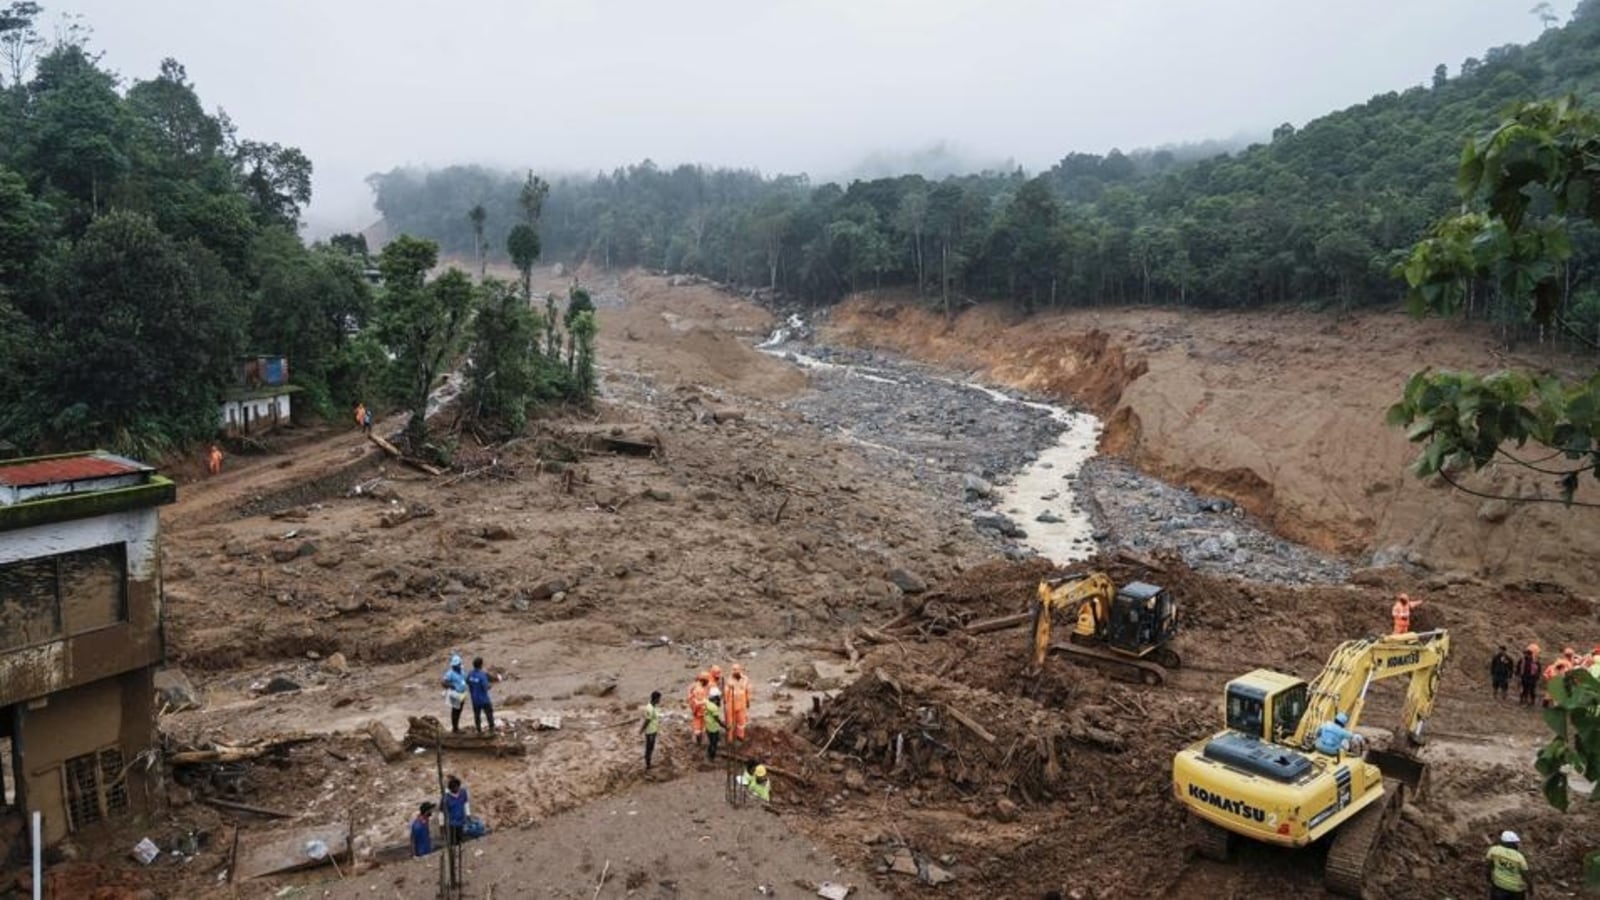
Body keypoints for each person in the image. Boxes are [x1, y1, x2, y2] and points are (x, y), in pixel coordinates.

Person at [1485, 829, 1531, 899]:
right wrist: (1530, 887)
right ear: (1511, 843)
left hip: (1499, 887)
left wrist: (1489, 879)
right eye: (1515, 843)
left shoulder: (1494, 850)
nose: (1517, 845)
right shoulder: (1519, 857)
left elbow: (1489, 867)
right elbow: (1525, 875)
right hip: (1516, 890)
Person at [466, 657, 496, 735]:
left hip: (475, 699)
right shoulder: (482, 675)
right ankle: (491, 728)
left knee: (477, 715)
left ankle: (478, 730)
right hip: (483, 699)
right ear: (481, 665)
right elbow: (486, 687)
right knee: (489, 713)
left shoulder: (470, 673)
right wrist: (490, 686)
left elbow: (467, 682)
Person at [441, 654, 468, 734]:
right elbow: (443, 682)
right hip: (455, 694)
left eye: (458, 664)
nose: (456, 666)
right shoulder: (450, 673)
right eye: (455, 665)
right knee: (455, 711)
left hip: (462, 694)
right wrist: (451, 685)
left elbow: (465, 679)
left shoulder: (462, 671)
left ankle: (456, 727)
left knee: (459, 710)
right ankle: (455, 728)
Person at [726, 663, 752, 742]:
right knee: (730, 722)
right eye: (733, 669)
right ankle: (730, 738)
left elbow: (748, 690)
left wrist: (748, 700)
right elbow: (726, 694)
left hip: (742, 704)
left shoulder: (745, 679)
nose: (735, 671)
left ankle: (740, 737)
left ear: (740, 670)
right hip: (731, 705)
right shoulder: (729, 681)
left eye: (736, 669)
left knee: (741, 722)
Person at [443, 776, 470, 847]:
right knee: (453, 842)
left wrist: (468, 814)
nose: (456, 788)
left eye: (457, 787)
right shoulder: (446, 798)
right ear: (450, 788)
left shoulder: (463, 792)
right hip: (452, 823)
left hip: (461, 821)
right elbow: (443, 812)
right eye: (454, 787)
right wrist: (442, 824)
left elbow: (466, 803)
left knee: (461, 839)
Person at [641, 690, 662, 770]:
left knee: (651, 747)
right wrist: (641, 730)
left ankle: (648, 762)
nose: (660, 700)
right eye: (659, 699)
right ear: (656, 699)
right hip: (650, 731)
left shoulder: (655, 706)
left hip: (654, 730)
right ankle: (648, 764)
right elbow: (647, 720)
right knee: (649, 747)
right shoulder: (649, 708)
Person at [687, 672, 710, 746]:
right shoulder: (699, 689)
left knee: (697, 726)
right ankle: (699, 742)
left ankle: (697, 741)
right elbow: (699, 701)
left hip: (697, 710)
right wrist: (705, 702)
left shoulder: (693, 687)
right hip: (699, 711)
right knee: (700, 727)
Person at [704, 693, 724, 761]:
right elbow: (717, 719)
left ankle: (709, 753)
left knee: (711, 741)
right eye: (718, 700)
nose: (719, 702)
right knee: (714, 743)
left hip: (708, 725)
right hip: (713, 727)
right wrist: (725, 727)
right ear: (715, 700)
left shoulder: (707, 703)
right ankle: (712, 757)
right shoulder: (714, 708)